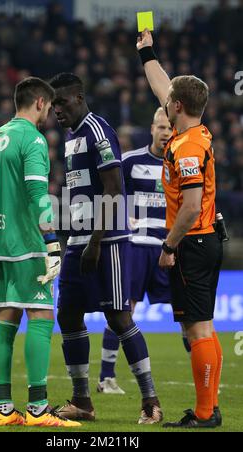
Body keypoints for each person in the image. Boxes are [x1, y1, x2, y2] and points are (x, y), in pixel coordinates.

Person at [50, 72, 163, 425]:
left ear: (79, 98)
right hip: (80, 239)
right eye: (52, 105)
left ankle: (151, 402)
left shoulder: (98, 131)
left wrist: (96, 242)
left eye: (62, 103)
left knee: (118, 316)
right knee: (67, 314)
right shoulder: (70, 137)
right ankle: (82, 401)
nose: (56, 110)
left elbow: (114, 188)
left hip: (107, 240)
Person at [0, 76, 80, 428]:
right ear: (39, 102)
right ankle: (38, 408)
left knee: (5, 321)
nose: (50, 114)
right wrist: (52, 241)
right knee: (40, 318)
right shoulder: (33, 140)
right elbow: (39, 196)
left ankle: (3, 408)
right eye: (49, 107)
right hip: (25, 244)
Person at [137, 29, 223, 428]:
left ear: (176, 106)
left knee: (197, 328)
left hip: (191, 242)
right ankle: (209, 410)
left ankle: (206, 414)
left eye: (168, 100)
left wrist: (169, 246)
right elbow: (162, 87)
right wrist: (147, 53)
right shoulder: (194, 131)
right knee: (201, 326)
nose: (163, 101)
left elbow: (189, 208)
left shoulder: (186, 148)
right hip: (206, 240)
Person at [98, 109, 192, 395]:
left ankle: (201, 375)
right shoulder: (130, 161)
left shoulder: (181, 163)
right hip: (136, 247)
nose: (165, 133)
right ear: (152, 129)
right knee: (124, 310)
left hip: (168, 248)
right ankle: (106, 378)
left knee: (187, 314)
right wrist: (121, 217)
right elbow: (110, 192)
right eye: (161, 127)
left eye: (169, 128)